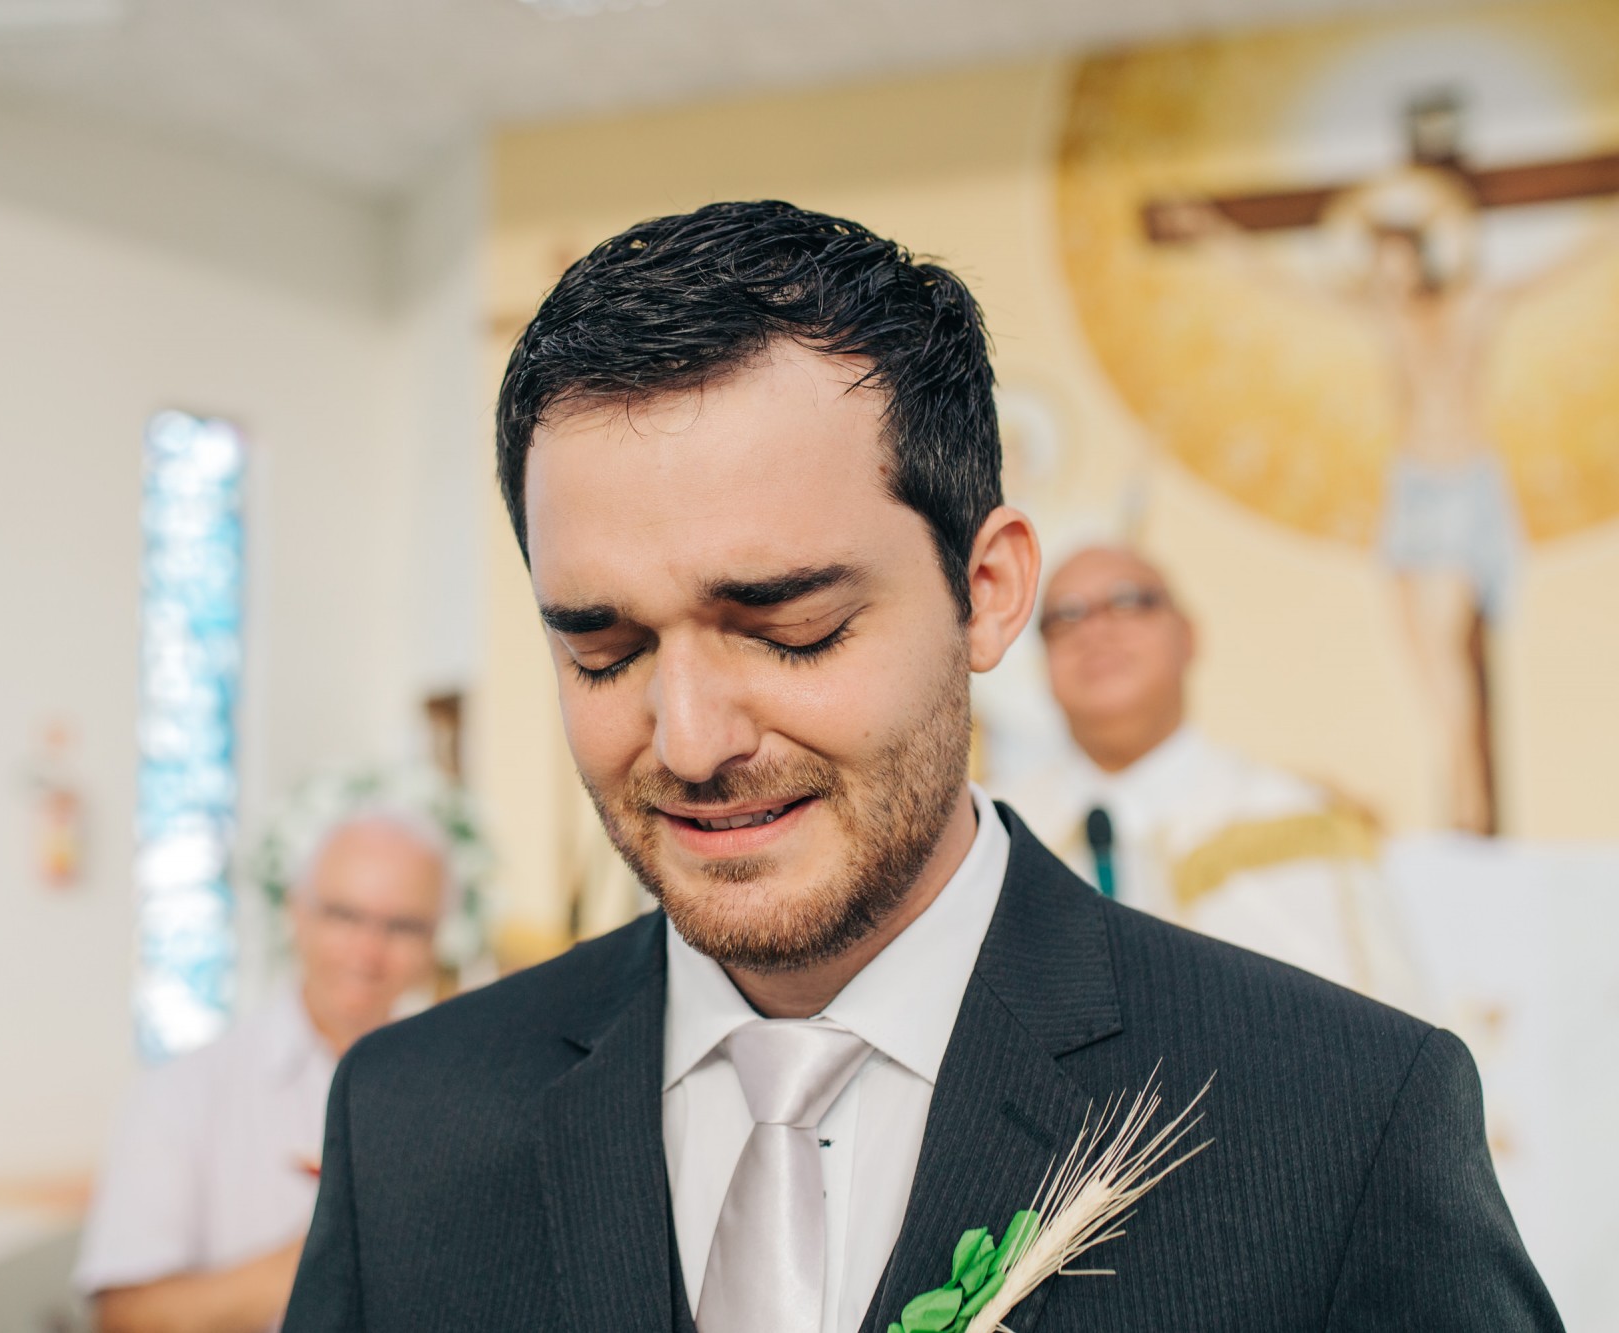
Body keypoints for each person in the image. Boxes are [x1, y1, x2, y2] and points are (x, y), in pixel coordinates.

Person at [283, 202, 1557, 1332]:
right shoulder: (414, 1122)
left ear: (986, 592)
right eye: (604, 650)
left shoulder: (1336, 1121)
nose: (687, 740)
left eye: (791, 627)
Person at [997, 544, 1421, 1009]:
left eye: (1127, 602)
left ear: (1188, 637)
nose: (1095, 630)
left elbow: (1378, 1044)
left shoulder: (1297, 824)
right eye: (1066, 617)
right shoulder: (995, 837)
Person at [75, 812, 448, 1333]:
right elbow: (122, 1319)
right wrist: (330, 1249)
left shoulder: (460, 1089)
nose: (368, 952)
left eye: (403, 926)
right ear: (296, 915)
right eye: (344, 915)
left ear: (437, 938)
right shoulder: (181, 1092)